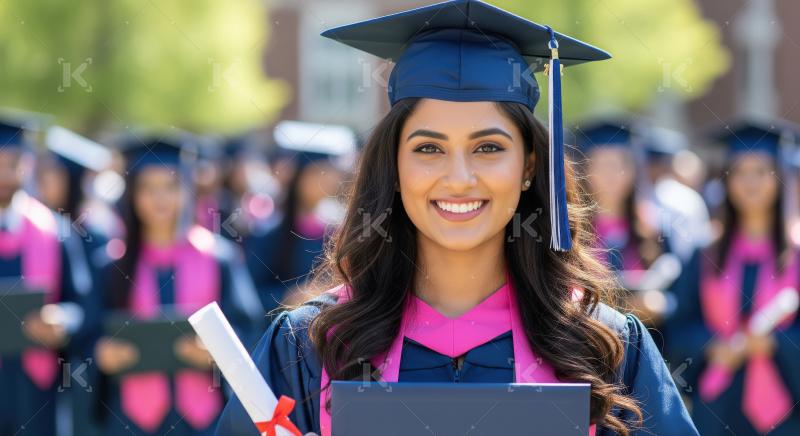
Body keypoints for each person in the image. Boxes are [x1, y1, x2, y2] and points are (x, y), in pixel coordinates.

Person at [216, 1, 697, 435]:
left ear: (529, 166)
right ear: (395, 166)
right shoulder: (312, 346)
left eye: (489, 148)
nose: (460, 177)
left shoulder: (604, 347)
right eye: (428, 148)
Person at [92, 134, 263, 436]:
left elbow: (247, 326)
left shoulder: (219, 257)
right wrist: (101, 352)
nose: (160, 198)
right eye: (148, 188)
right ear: (132, 194)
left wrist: (217, 351)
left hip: (204, 415)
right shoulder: (112, 263)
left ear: (187, 191)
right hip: (131, 417)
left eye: (170, 187)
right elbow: (87, 332)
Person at [666, 119, 800, 435]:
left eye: (761, 171)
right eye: (739, 171)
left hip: (788, 410)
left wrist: (775, 344)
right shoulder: (704, 253)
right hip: (717, 407)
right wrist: (711, 346)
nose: (750, 182)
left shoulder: (797, 255)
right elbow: (677, 327)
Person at [0, 118, 95, 435]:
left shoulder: (57, 231)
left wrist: (63, 319)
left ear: (28, 165)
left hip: (37, 390)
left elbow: (82, 306)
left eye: (12, 164)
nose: (3, 174)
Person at [244, 120, 355, 313]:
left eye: (331, 173)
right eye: (320, 173)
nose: (330, 180)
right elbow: (249, 296)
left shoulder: (340, 231)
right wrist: (289, 297)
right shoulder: (267, 234)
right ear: (299, 176)